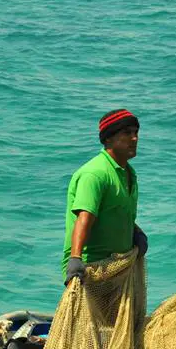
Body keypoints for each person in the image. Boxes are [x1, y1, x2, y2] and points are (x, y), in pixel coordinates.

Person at [62, 109, 147, 286]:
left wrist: (134, 231)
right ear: (108, 138)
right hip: (91, 270)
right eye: (127, 133)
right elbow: (84, 218)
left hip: (118, 267)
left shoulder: (128, 173)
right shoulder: (95, 174)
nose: (134, 138)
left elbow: (115, 211)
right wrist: (75, 259)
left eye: (136, 132)